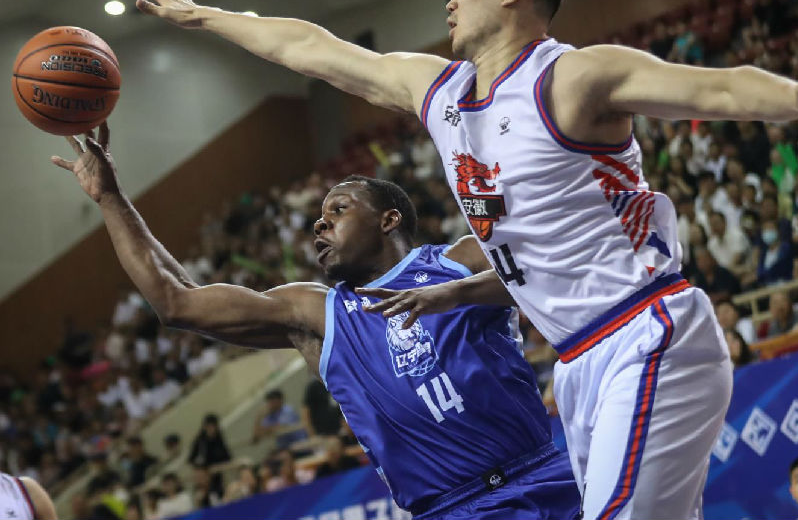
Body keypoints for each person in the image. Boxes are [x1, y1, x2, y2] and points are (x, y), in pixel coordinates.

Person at [135, 0, 798, 516]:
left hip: (648, 332)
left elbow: (713, 88)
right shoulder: (441, 95)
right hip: (578, 364)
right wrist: (204, 15)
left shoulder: (572, 78)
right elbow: (314, 50)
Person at [50, 125, 580, 520]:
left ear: (389, 219)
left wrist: (458, 292)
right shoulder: (315, 312)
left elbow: (556, 262)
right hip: (449, 509)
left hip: (546, 477)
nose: (319, 225)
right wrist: (111, 199)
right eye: (318, 218)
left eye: (338, 211)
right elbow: (177, 302)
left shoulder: (459, 261)